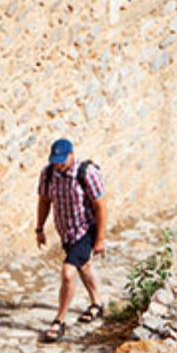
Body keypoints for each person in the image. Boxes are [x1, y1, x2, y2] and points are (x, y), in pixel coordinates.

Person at [34, 137, 106, 342]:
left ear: (71, 155)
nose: (58, 164)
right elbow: (44, 200)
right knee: (83, 266)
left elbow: (101, 206)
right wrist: (39, 229)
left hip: (85, 230)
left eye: (62, 160)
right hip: (66, 232)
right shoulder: (48, 174)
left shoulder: (86, 173)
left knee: (68, 273)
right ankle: (97, 303)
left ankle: (59, 320)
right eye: (55, 160)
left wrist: (99, 239)